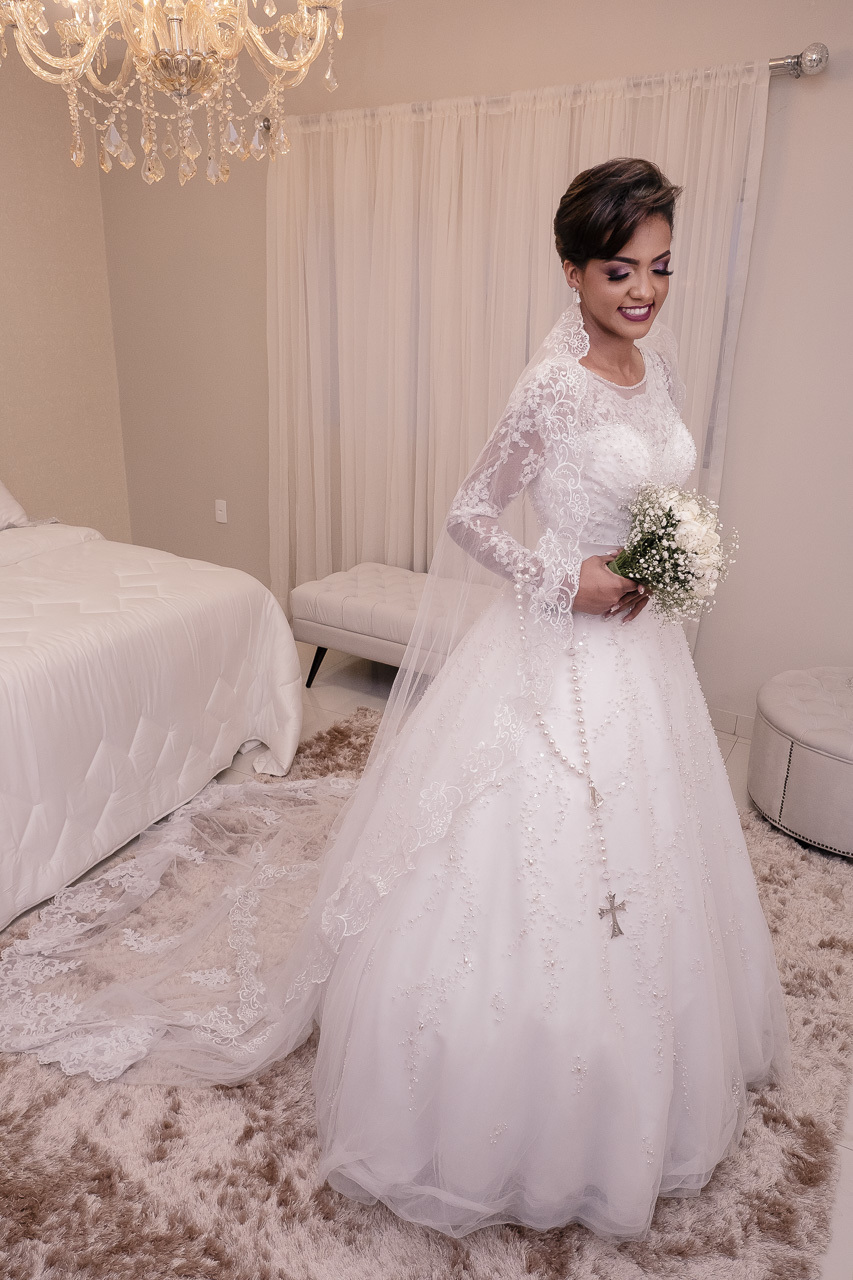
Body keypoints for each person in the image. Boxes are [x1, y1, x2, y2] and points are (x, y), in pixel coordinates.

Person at [0, 158, 789, 1243]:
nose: (644, 290)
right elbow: (468, 515)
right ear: (572, 271)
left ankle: (642, 1066)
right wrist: (563, 577)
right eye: (620, 270)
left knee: (652, 852)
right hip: (554, 644)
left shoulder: (652, 371)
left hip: (639, 655)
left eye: (660, 267)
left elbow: (653, 493)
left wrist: (660, 557)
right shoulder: (549, 386)